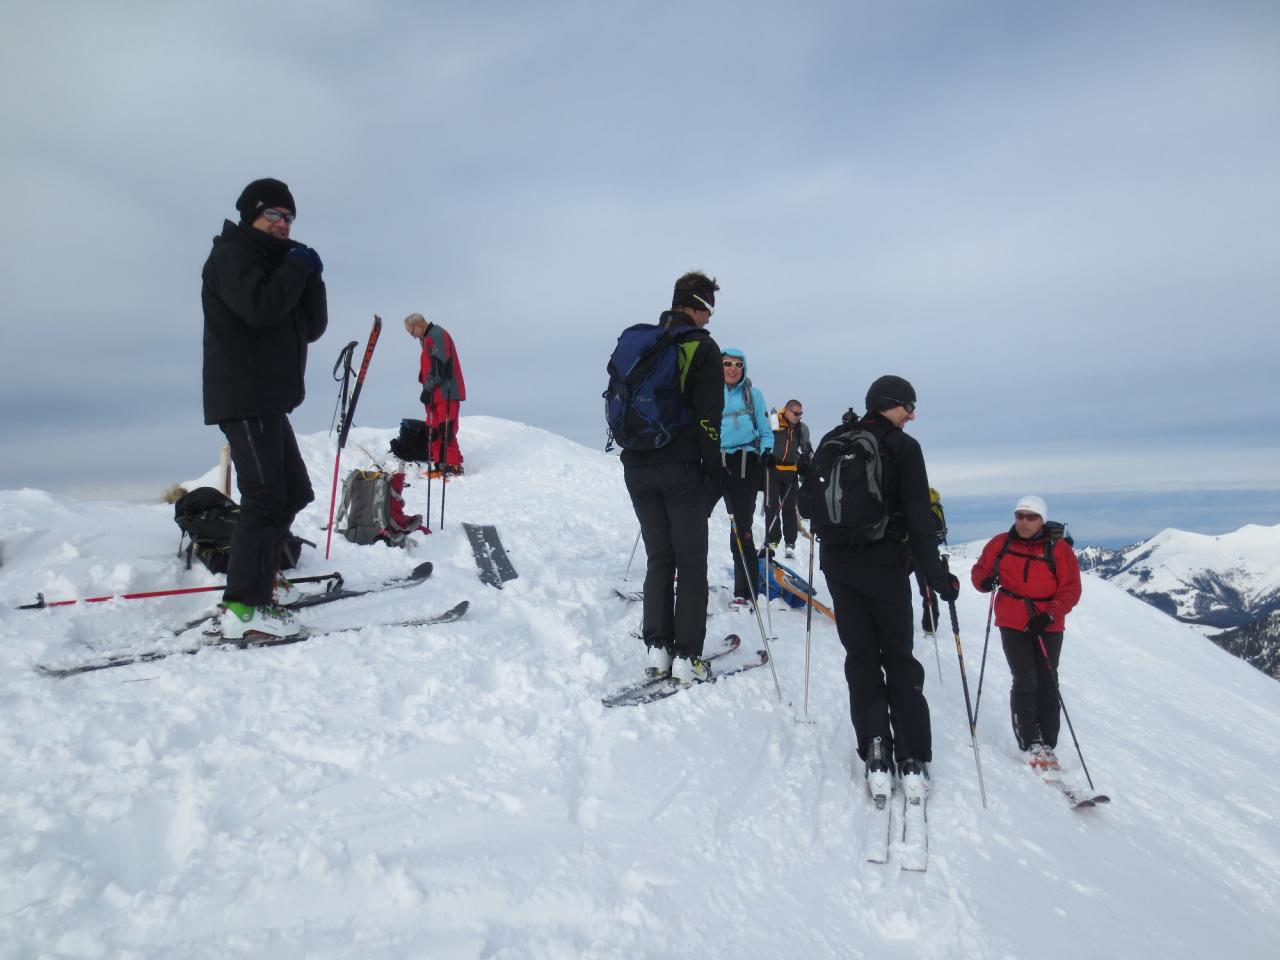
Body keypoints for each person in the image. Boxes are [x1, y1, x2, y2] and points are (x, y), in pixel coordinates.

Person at [817, 376, 958, 804]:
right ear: (889, 405)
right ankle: (912, 756)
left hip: (838, 565)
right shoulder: (903, 447)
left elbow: (808, 503)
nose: (912, 416)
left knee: (860, 656)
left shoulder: (833, 439)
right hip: (883, 565)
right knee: (897, 656)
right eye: (908, 407)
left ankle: (875, 747)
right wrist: (936, 577)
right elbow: (918, 517)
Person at [202, 177, 327, 639]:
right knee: (266, 497)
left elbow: (310, 327)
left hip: (270, 399)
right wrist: (294, 269)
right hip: (244, 394)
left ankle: (260, 579)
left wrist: (311, 276)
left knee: (293, 492)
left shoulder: (279, 266)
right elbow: (259, 308)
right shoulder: (231, 257)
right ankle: (243, 607)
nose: (282, 224)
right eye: (273, 214)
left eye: (289, 217)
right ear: (250, 215)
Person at [621, 272, 725, 683]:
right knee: (691, 562)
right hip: (681, 468)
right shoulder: (701, 346)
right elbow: (708, 418)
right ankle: (687, 656)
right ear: (698, 306)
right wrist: (715, 472)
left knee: (659, 558)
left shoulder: (640, 341)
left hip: (637, 465)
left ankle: (657, 649)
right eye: (709, 309)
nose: (708, 318)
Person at [970, 495, 1082, 768]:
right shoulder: (1001, 543)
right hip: (1012, 620)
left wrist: (1050, 614)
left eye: (1030, 517)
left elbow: (1071, 589)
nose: (1023, 521)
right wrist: (985, 581)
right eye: (1019, 515)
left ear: (1042, 520)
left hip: (1047, 622)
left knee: (1047, 679)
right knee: (1025, 678)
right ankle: (1029, 739)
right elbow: (979, 573)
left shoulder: (1058, 549)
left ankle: (1048, 741)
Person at [716, 348, 773, 609]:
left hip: (745, 463)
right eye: (727, 363)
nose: (732, 368)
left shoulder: (754, 395)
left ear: (744, 368)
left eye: (738, 364)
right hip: (714, 462)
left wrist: (768, 452)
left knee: (741, 527)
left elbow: (766, 431)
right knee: (689, 517)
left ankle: (746, 590)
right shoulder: (709, 391)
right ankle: (681, 577)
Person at [404, 313, 466, 475]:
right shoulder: (427, 340)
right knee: (434, 430)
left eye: (411, 332)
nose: (412, 337)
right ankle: (440, 463)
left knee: (447, 427)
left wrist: (428, 387)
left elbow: (441, 365)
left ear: (418, 325)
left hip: (446, 391)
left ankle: (452, 465)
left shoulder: (437, 335)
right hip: (434, 395)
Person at [764, 398, 812, 559]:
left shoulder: (801, 428)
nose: (799, 416)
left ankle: (790, 543)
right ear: (787, 410)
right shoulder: (775, 421)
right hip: (773, 469)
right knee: (772, 506)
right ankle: (772, 539)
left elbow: (806, 447)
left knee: (790, 509)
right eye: (796, 413)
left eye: (801, 413)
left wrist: (806, 458)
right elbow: (762, 437)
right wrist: (765, 454)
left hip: (791, 470)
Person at [912, 487, 949, 634]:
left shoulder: (913, 502)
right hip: (928, 550)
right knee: (927, 588)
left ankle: (903, 622)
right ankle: (930, 626)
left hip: (910, 549)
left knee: (899, 586)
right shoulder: (932, 504)